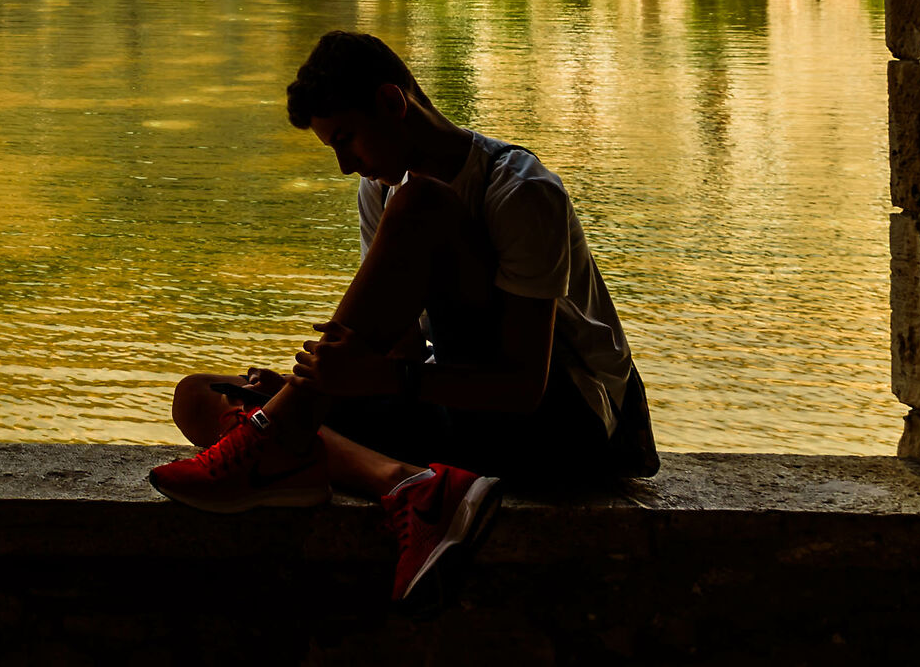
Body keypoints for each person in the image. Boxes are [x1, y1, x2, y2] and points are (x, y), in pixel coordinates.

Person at [149, 31, 655, 609]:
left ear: (392, 103)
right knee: (199, 396)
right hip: (460, 413)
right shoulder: (380, 189)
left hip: (562, 428)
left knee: (424, 203)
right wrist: (299, 390)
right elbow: (404, 351)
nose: (345, 166)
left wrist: (369, 383)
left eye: (346, 140)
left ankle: (283, 436)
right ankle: (406, 483)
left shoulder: (520, 190)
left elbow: (522, 388)